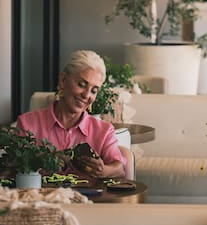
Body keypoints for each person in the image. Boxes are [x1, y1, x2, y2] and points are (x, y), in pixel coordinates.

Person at [17, 50, 127, 179]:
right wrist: (47, 158)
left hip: (89, 198)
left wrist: (103, 171)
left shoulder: (104, 130)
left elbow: (120, 169)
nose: (86, 95)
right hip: (38, 198)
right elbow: (14, 168)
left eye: (94, 90)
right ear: (63, 80)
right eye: (81, 84)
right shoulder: (27, 123)